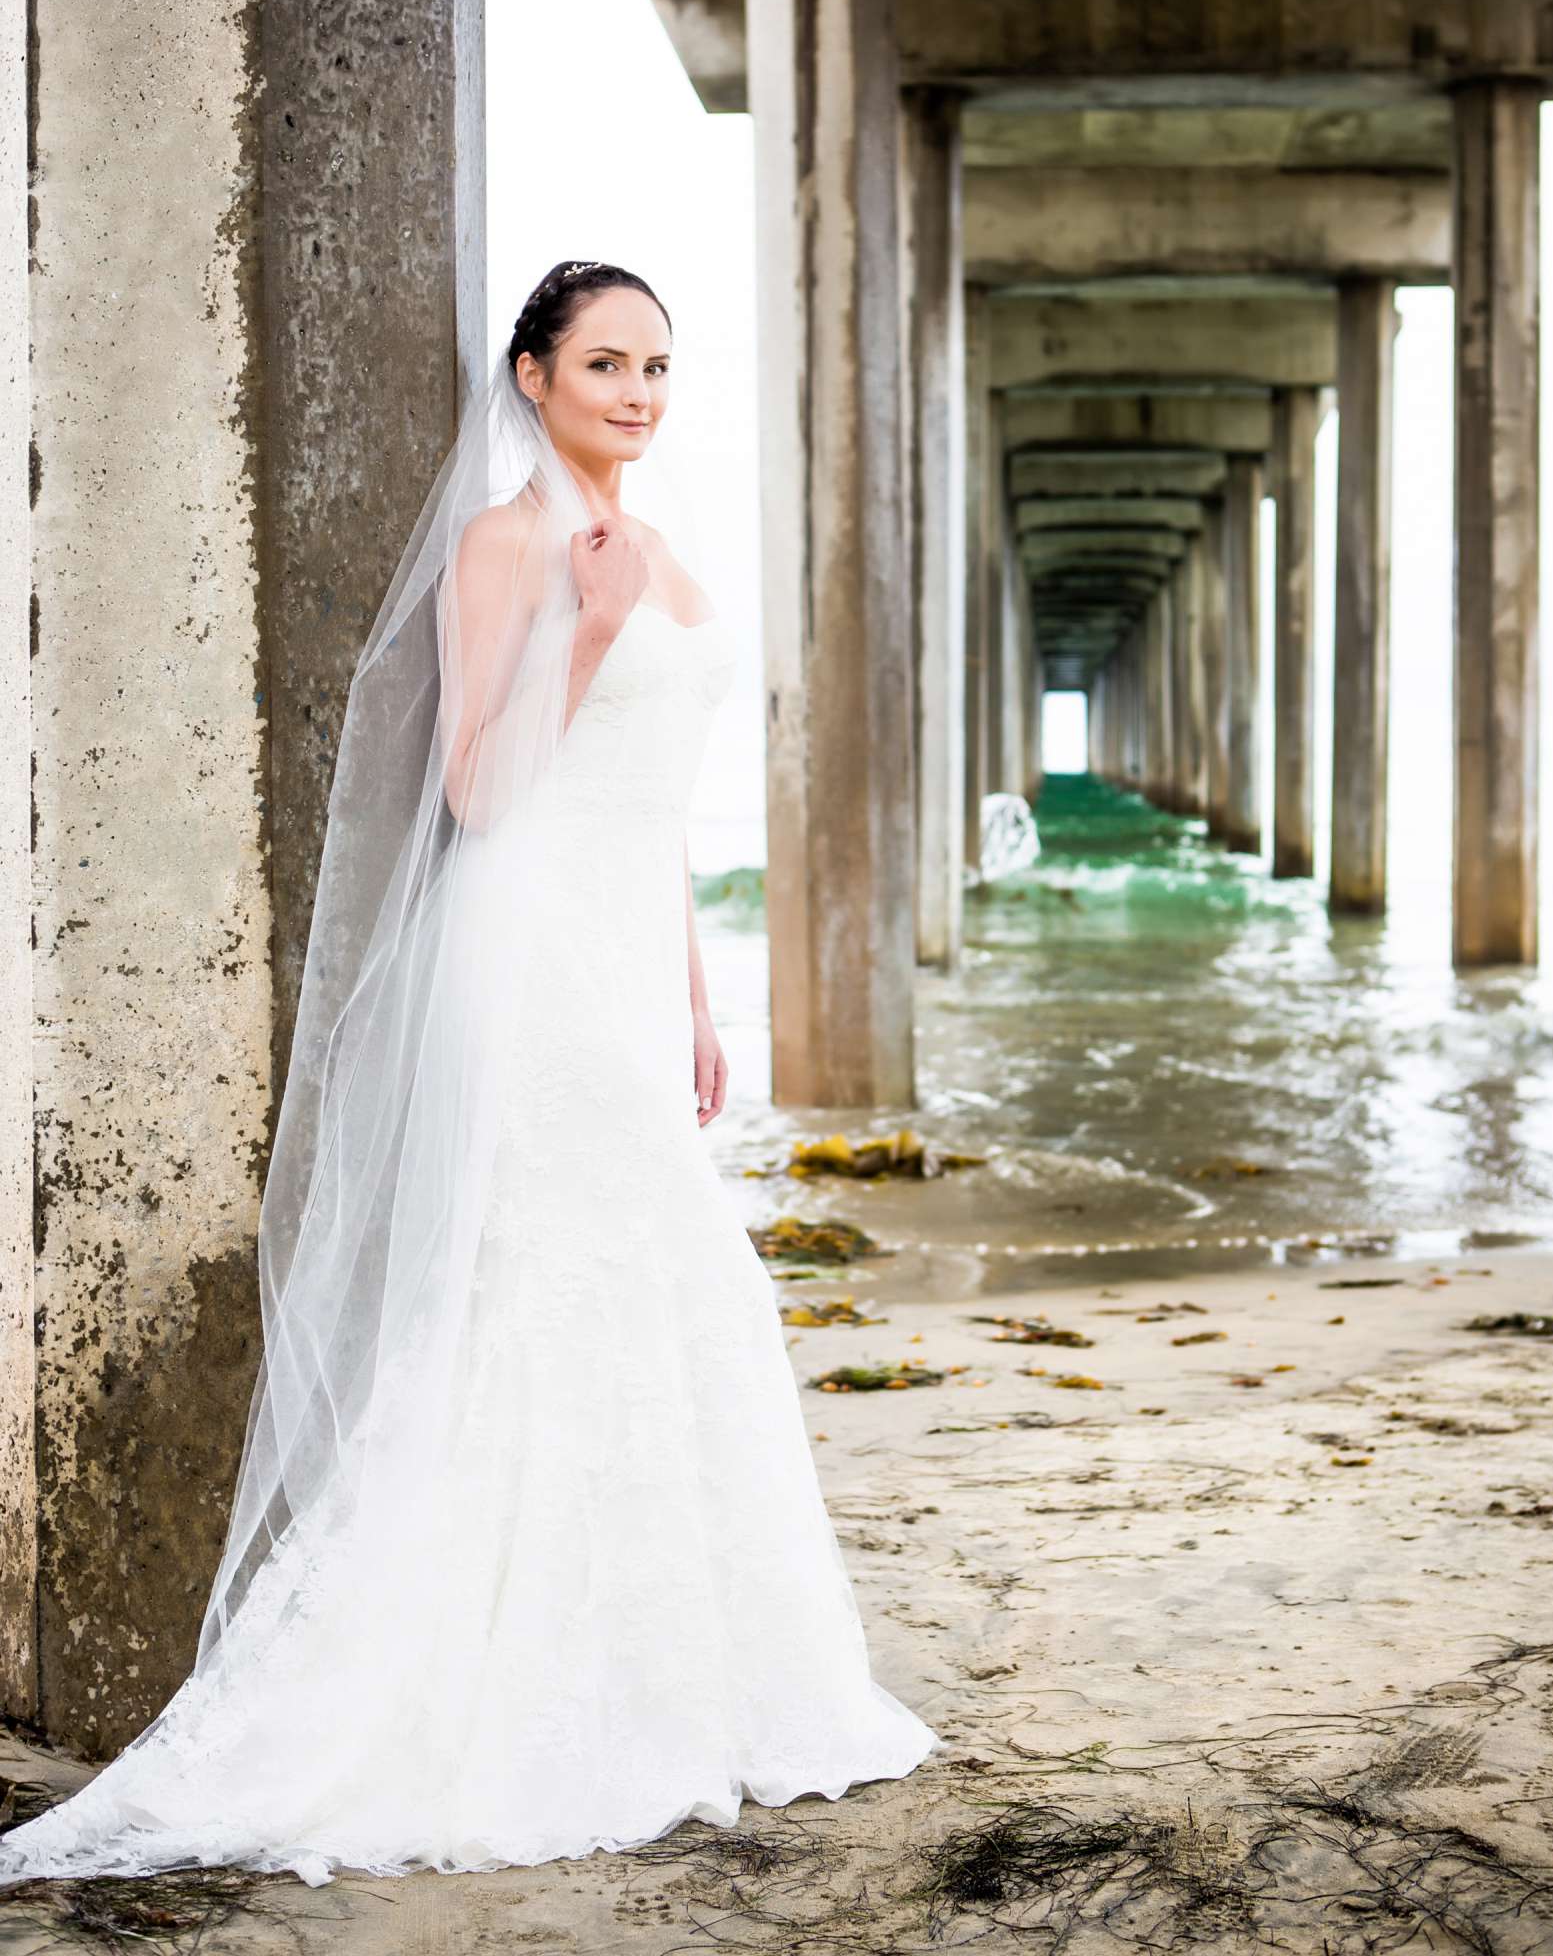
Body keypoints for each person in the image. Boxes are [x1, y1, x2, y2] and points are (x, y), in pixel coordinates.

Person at [0, 259, 940, 1887]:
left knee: (660, 1293)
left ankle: (674, 1670)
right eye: (604, 364)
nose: (639, 392)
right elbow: (484, 796)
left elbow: (652, 812)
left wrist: (700, 999)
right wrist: (581, 622)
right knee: (540, 1289)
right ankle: (495, 1684)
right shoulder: (509, 550)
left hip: (625, 959)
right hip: (522, 965)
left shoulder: (662, 548)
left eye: (657, 364)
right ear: (530, 378)